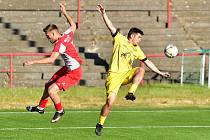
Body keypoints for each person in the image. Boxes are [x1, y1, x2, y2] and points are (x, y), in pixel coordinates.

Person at [95, 4, 170, 136]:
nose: (140, 40)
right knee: (109, 103)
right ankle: (100, 123)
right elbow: (110, 27)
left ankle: (131, 93)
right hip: (113, 76)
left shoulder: (137, 49)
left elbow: (148, 62)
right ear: (132, 36)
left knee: (141, 70)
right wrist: (103, 14)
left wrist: (160, 72)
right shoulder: (120, 39)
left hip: (126, 75)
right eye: (139, 37)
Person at [23, 3, 82, 123]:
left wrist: (33, 62)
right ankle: (40, 107)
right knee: (48, 84)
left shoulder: (60, 45)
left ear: (54, 34)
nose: (48, 39)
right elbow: (73, 25)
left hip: (74, 73)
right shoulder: (66, 35)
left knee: (51, 90)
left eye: (48, 36)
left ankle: (60, 111)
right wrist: (64, 12)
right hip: (68, 68)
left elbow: (51, 60)